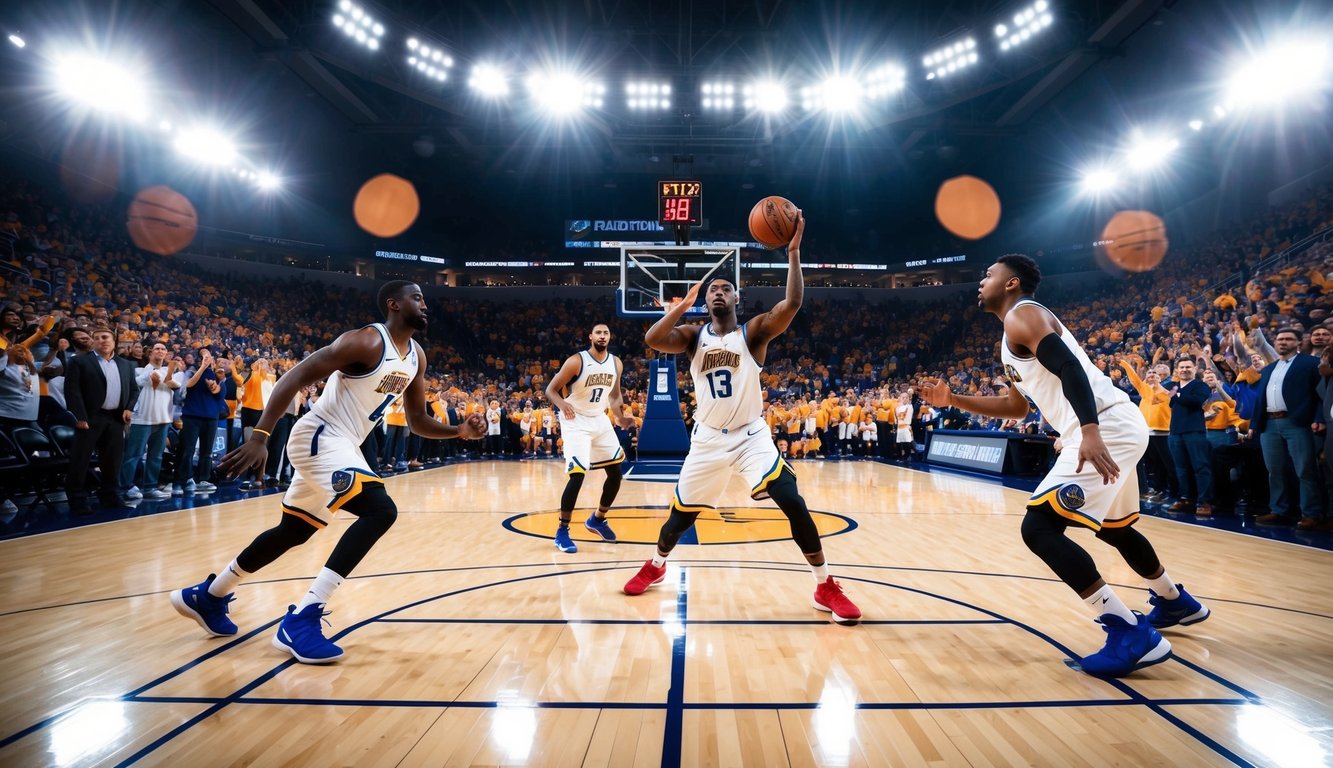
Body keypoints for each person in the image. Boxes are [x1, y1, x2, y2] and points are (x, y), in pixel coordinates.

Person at [170, 281, 486, 664]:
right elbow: (294, 377)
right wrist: (260, 436)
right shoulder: (366, 341)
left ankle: (210, 595)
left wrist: (458, 431)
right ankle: (302, 619)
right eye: (417, 298)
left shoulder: (416, 355)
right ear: (394, 304)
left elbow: (418, 419)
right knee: (380, 510)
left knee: (294, 531)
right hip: (320, 436)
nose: (425, 305)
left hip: (342, 445)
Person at [924, 254, 1208, 678]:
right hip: (1109, 424)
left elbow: (1071, 367)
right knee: (1115, 528)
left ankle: (1130, 633)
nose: (981, 280)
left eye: (988, 273)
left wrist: (1089, 431)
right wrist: (954, 401)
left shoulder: (1025, 315)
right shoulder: (1012, 333)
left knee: (1038, 528)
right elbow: (1017, 408)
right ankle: (1173, 601)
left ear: (1011, 283)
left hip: (1103, 424)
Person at [623, 214, 862, 625]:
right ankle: (657, 564)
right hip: (708, 440)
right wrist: (680, 306)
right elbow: (652, 340)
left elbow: (792, 305)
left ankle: (825, 584)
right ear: (707, 300)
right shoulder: (693, 335)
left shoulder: (752, 333)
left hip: (751, 436)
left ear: (737, 300)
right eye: (713, 289)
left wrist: (793, 253)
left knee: (792, 500)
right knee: (678, 520)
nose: (718, 293)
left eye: (725, 289)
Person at [543, 323, 634, 553]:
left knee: (616, 472)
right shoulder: (577, 361)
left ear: (610, 337)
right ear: (590, 336)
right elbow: (551, 390)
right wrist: (562, 404)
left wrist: (620, 418)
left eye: (606, 333)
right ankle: (562, 531)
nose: (602, 336)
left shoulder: (616, 363)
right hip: (575, 420)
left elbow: (614, 396)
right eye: (598, 333)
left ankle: (597, 519)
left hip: (599, 419)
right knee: (577, 475)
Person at [1250, 327, 1325, 530]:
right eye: (1280, 339)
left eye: (1288, 339)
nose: (1283, 342)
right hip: (1269, 423)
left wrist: (1319, 417)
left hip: (1297, 422)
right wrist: (1255, 424)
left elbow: (1322, 394)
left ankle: (1311, 513)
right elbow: (1260, 399)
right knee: (1274, 470)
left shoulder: (1310, 363)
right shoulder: (1269, 368)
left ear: (1299, 342)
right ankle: (1279, 510)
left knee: (1305, 469)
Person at [64, 327, 138, 514]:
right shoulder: (79, 361)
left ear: (113, 341)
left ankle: (110, 495)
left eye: (105, 337)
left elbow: (134, 390)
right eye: (96, 338)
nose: (101, 340)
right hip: (90, 417)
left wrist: (129, 408)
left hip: (115, 417)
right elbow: (73, 391)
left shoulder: (126, 364)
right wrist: (80, 416)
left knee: (112, 460)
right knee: (80, 459)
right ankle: (77, 499)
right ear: (93, 342)